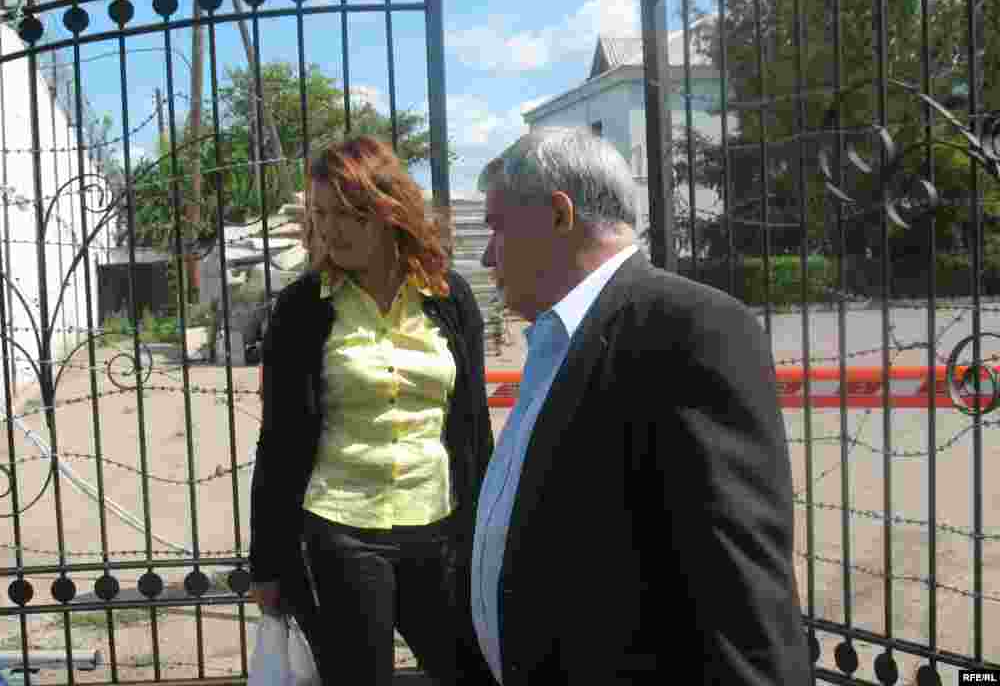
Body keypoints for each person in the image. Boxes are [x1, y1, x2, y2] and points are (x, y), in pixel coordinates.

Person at [470, 127, 812, 685]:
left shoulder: (691, 328)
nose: (487, 255)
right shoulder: (555, 337)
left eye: (497, 226)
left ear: (559, 215)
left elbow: (740, 584)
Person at [249, 135, 496, 686]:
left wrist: (487, 531)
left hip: (440, 527)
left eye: (348, 213)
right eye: (321, 214)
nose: (331, 229)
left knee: (474, 674)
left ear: (389, 212)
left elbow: (474, 425)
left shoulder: (450, 297)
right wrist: (267, 563)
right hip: (340, 531)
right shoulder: (300, 311)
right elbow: (280, 440)